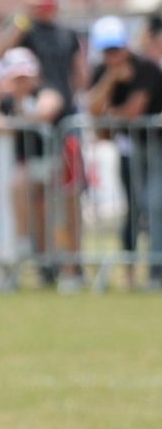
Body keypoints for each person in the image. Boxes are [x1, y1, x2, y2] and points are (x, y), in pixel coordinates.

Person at [0, 0, 86, 289]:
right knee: (39, 203)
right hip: (38, 129)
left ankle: (74, 267)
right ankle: (47, 264)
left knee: (68, 200)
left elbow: (79, 75)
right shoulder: (25, 30)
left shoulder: (68, 33)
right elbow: (1, 52)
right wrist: (22, 19)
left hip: (64, 126)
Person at [0, 47, 65, 270]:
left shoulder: (46, 91)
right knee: (25, 195)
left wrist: (16, 119)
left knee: (49, 213)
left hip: (55, 162)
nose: (21, 83)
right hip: (28, 164)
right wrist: (0, 122)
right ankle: (32, 251)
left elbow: (44, 112)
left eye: (24, 77)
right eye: (16, 78)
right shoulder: (5, 100)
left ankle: (56, 261)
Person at [87, 15, 162, 289]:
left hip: (155, 147)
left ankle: (156, 271)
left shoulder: (147, 69)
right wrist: (109, 79)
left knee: (155, 205)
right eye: (108, 51)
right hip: (128, 149)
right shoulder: (101, 71)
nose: (114, 56)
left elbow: (134, 111)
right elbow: (93, 108)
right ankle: (130, 273)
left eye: (116, 49)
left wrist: (110, 114)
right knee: (131, 209)